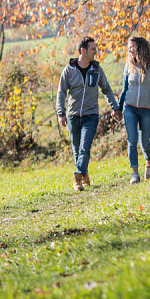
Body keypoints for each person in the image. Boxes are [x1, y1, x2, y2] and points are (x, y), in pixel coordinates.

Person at [56, 36, 119, 191]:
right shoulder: (69, 70)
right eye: (93, 49)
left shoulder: (96, 70)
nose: (95, 52)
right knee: (77, 150)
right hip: (73, 115)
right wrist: (61, 113)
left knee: (84, 147)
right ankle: (84, 174)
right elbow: (61, 92)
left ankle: (77, 177)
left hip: (91, 115)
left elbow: (106, 89)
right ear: (83, 51)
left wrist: (115, 108)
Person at [118, 36, 150, 184]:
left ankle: (149, 161)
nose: (129, 49)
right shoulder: (128, 65)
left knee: (144, 142)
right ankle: (135, 174)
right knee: (132, 140)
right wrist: (118, 107)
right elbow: (124, 89)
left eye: (132, 46)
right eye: (129, 46)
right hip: (129, 107)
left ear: (140, 47)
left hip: (147, 109)